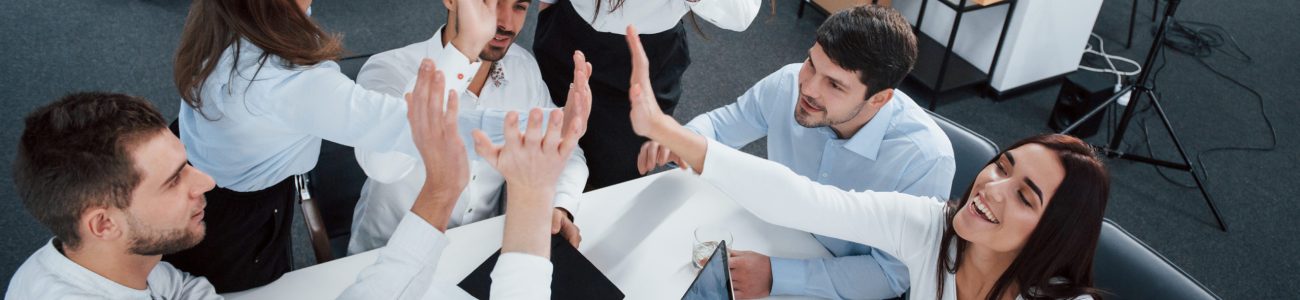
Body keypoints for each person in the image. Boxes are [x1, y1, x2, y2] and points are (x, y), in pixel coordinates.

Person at [8, 65, 587, 299]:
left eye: (188, 162)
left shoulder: (120, 261)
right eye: (175, 180)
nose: (205, 182)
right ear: (102, 222)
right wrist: (445, 193)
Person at [624, 27, 1109, 300]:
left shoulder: (925, 163)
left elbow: (885, 276)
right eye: (1002, 165)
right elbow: (807, 202)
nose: (992, 187)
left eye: (1025, 196)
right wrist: (675, 135)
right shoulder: (930, 228)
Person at [167, 0, 589, 292]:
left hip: (223, 167)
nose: (503, 19)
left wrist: (556, 179)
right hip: (231, 212)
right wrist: (468, 55)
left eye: (519, 5)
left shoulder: (246, 22)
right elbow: (406, 137)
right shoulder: (311, 78)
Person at [636, 5, 954, 299]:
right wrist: (681, 139)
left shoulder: (925, 160)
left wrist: (777, 275)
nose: (809, 88)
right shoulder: (790, 82)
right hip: (772, 235)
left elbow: (891, 274)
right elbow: (722, 126)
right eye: (811, 63)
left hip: (834, 280)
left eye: (835, 85)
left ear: (879, 99)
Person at [348, 0, 590, 255]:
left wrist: (558, 206)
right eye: (493, 3)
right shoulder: (388, 70)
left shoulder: (522, 68)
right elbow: (382, 166)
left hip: (482, 254)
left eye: (519, 6)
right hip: (389, 255)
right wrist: (464, 53)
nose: (507, 23)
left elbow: (567, 152)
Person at [532, 0, 761, 190]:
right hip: (566, 39)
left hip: (642, 64)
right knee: (541, 157)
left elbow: (742, 13)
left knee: (612, 185)